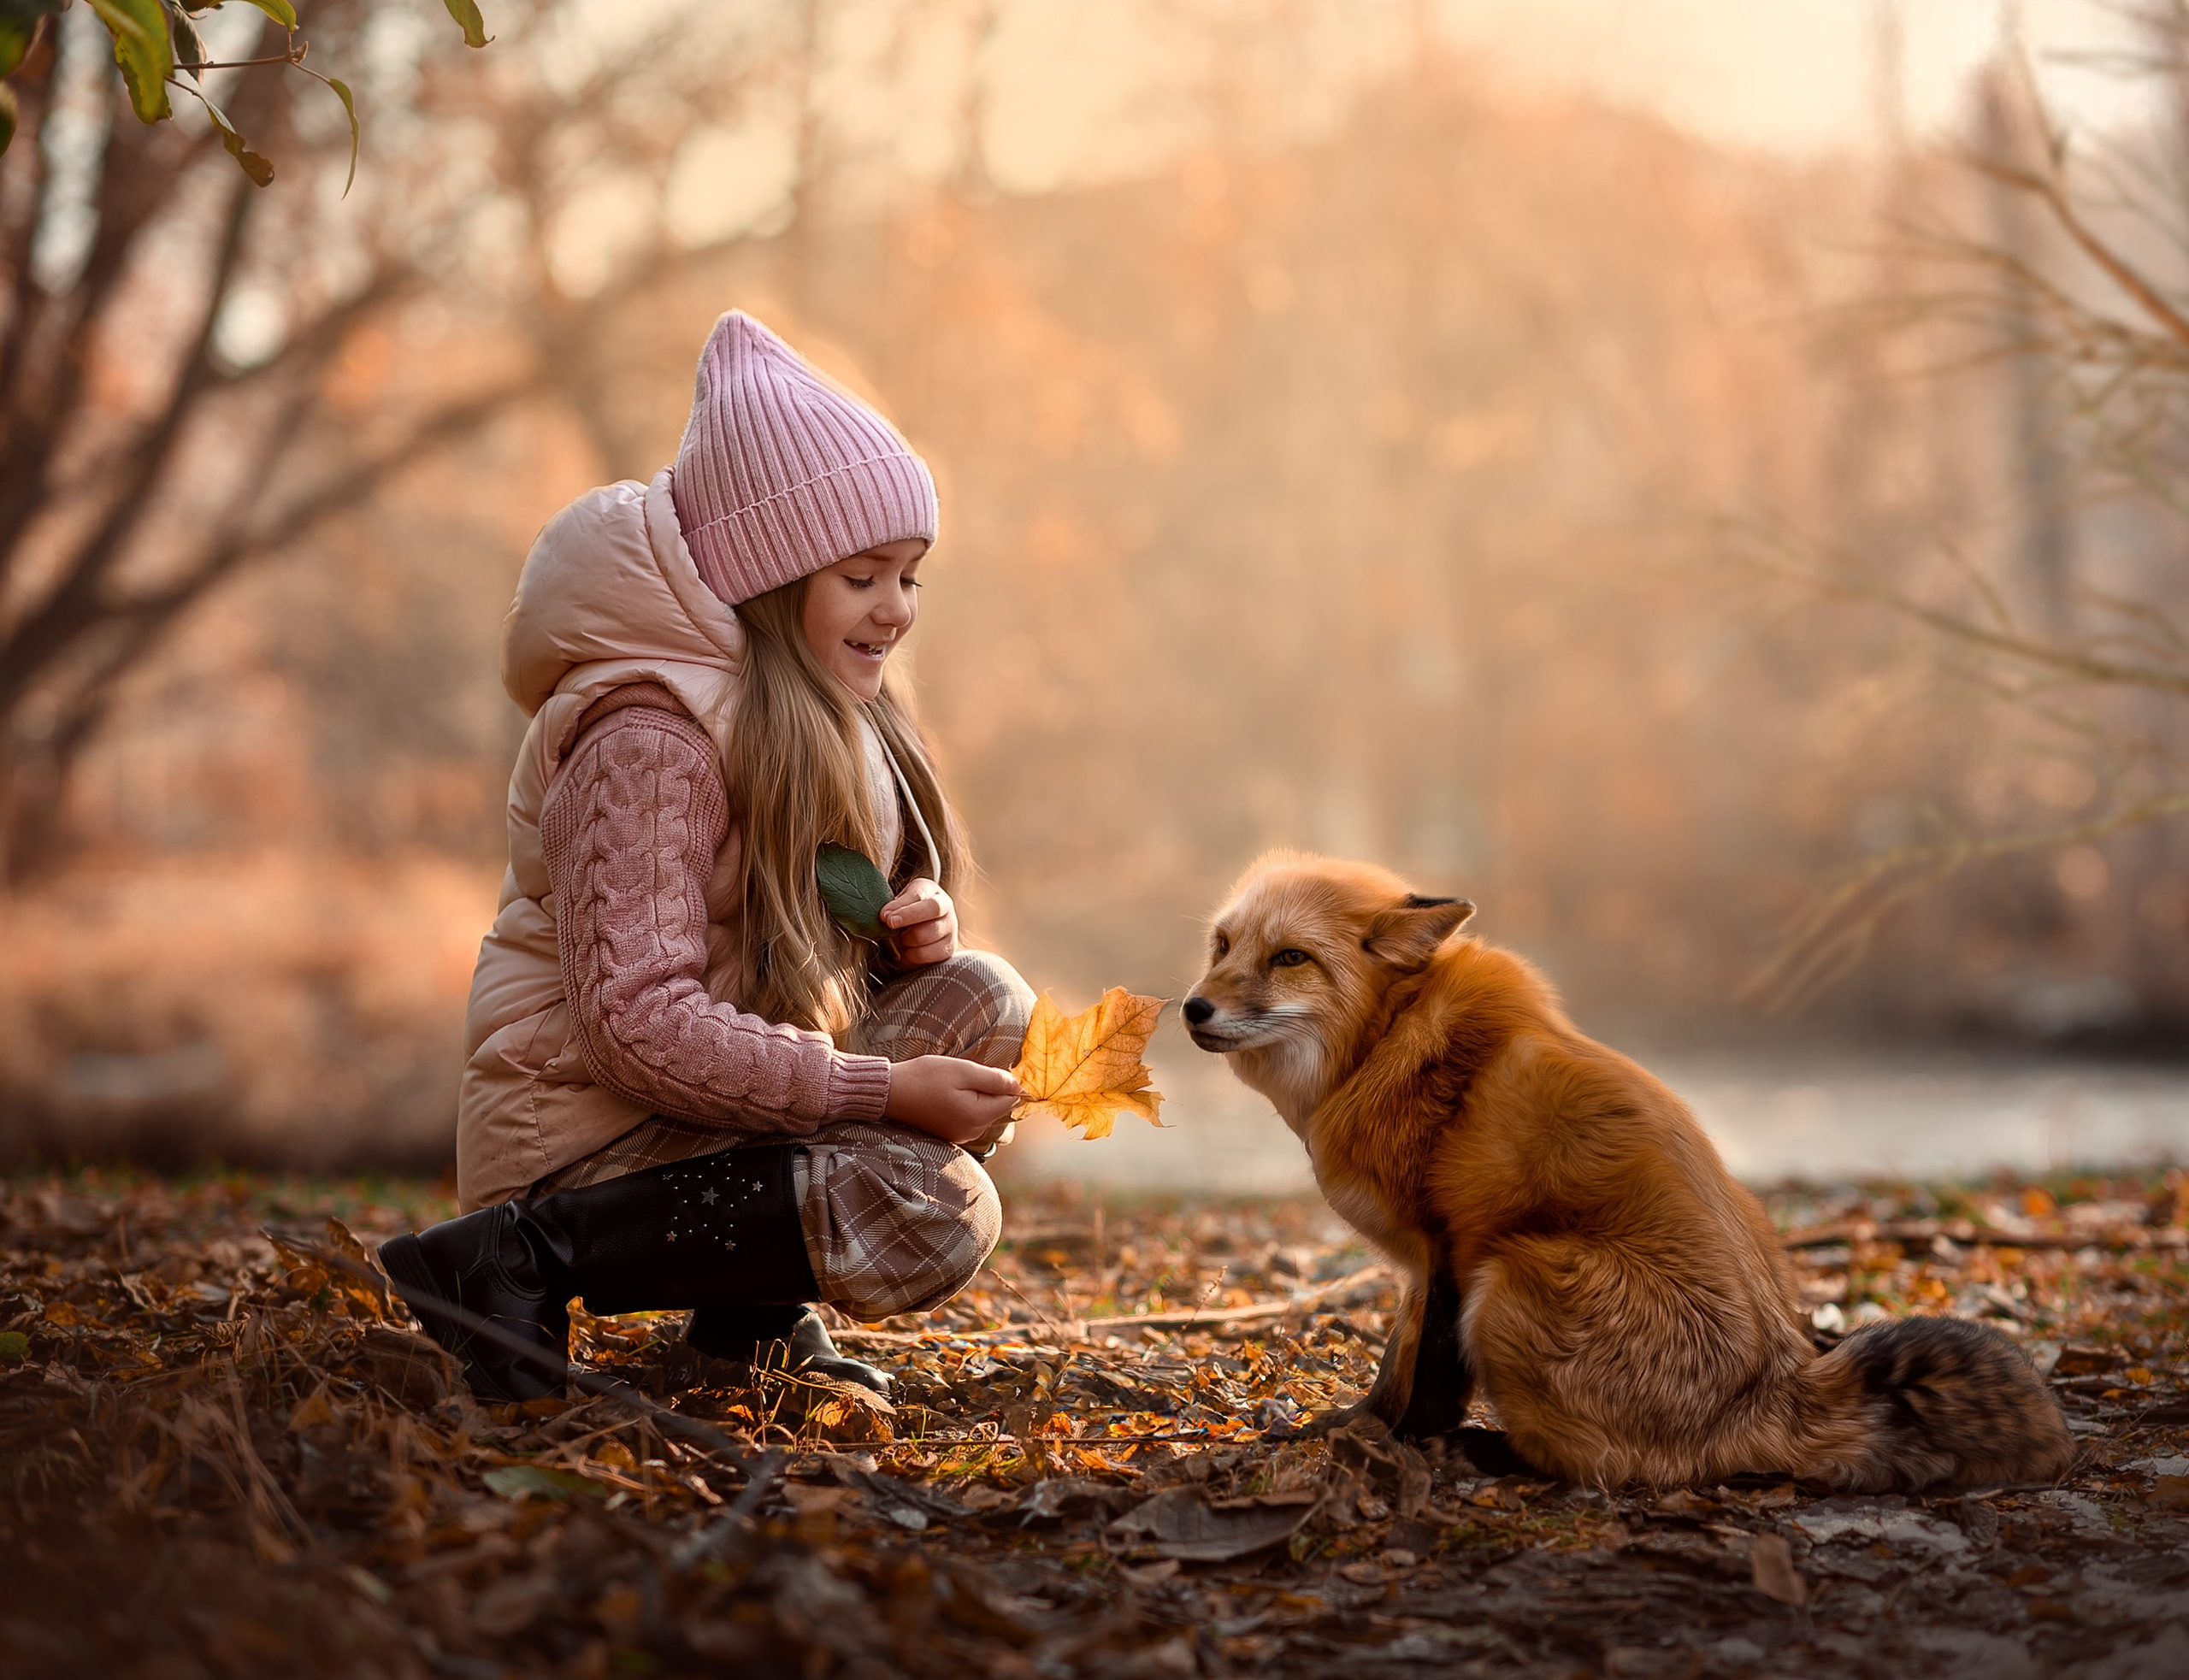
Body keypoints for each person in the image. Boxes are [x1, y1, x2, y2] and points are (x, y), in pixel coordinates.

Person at [381, 312, 1033, 1402]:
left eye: (909, 576)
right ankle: (512, 1260)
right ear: (773, 582)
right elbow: (637, 1026)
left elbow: (777, 947)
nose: (897, 610)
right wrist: (879, 1091)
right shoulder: (649, 739)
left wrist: (905, 931)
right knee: (932, 1209)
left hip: (701, 1112)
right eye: (864, 577)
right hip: (595, 1134)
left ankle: (748, 1332)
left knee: (981, 999)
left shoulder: (796, 711)